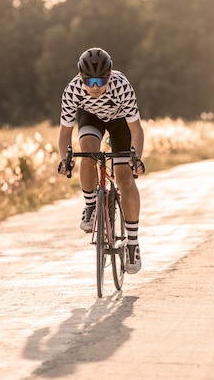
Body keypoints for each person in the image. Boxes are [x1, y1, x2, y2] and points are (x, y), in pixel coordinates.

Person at [57, 47, 145, 274]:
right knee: (87, 153)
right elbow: (65, 134)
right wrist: (65, 159)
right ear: (80, 78)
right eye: (90, 81)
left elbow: (136, 129)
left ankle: (133, 243)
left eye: (101, 81)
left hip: (120, 123)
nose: (95, 87)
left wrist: (136, 157)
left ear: (110, 75)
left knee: (125, 177)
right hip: (91, 117)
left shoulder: (122, 86)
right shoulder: (72, 91)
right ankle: (90, 206)